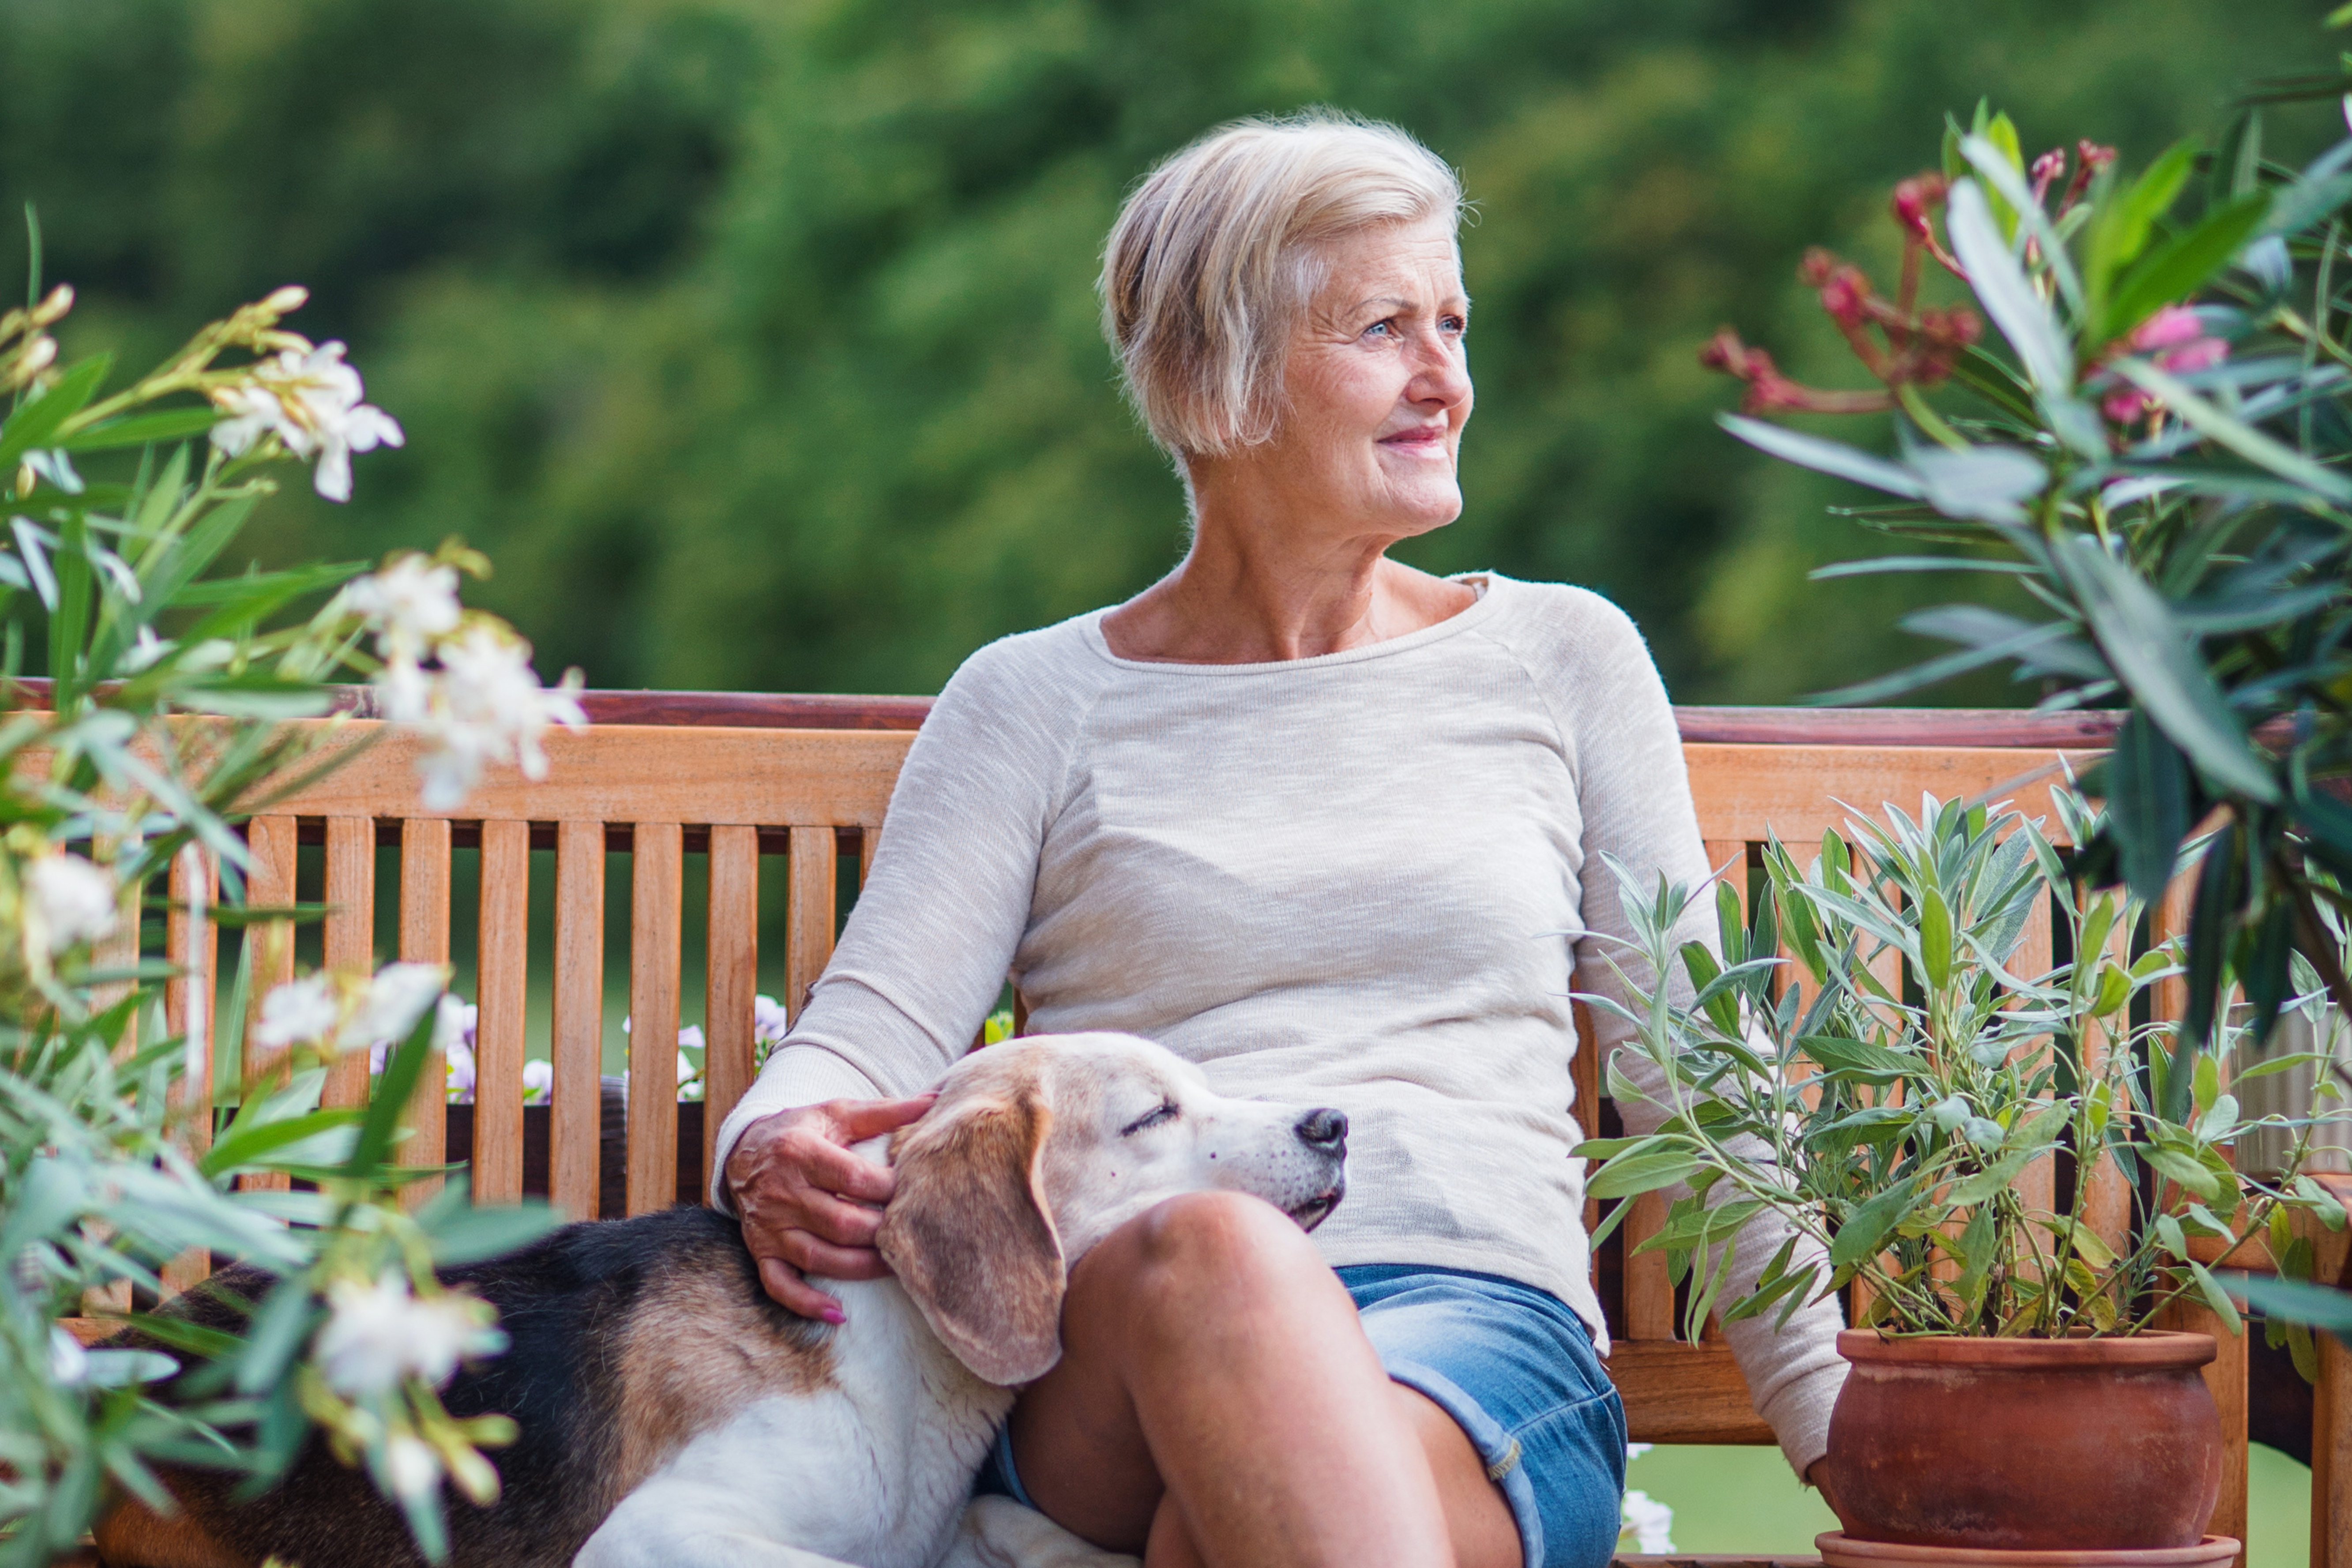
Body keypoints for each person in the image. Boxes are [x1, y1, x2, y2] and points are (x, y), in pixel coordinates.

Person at [712, 110, 1846, 1568]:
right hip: (1126, 1335)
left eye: (1451, 321)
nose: (1446, 378)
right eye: (1383, 328)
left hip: (1476, 1342)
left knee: (1225, 1534)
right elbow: (866, 1040)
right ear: (1217, 376)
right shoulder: (1035, 701)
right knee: (1223, 1249)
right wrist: (773, 1143)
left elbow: (1693, 1066)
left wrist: (1830, 1414)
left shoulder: (1563, 657)